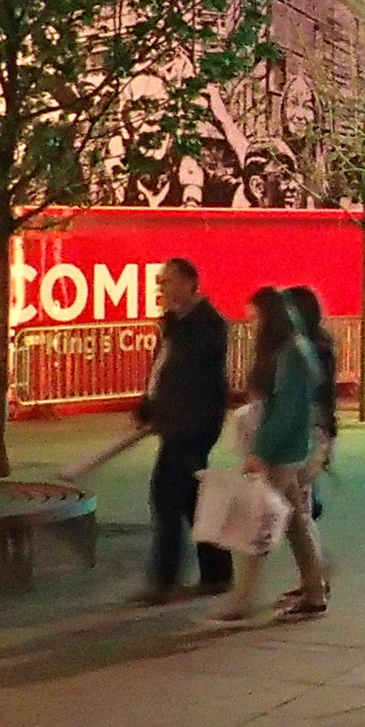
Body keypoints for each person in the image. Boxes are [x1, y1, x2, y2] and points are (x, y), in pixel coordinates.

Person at [221, 286, 330, 621]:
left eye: (255, 318)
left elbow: (284, 412)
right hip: (291, 450)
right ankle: (314, 591)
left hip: (282, 453)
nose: (251, 326)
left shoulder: (289, 355)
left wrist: (260, 452)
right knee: (296, 523)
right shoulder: (295, 350)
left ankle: (240, 603)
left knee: (256, 525)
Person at [134, 257, 233, 604]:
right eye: (161, 281)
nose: (162, 287)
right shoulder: (174, 324)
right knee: (194, 499)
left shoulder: (206, 324)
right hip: (177, 422)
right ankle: (217, 571)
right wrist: (149, 403)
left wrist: (167, 411)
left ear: (191, 283)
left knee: (166, 495)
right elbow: (162, 370)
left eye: (170, 280)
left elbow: (192, 377)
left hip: (192, 425)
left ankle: (165, 579)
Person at [281, 282, 340, 514]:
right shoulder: (317, 344)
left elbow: (322, 391)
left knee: (296, 498)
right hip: (314, 423)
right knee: (299, 497)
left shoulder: (305, 349)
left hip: (307, 424)